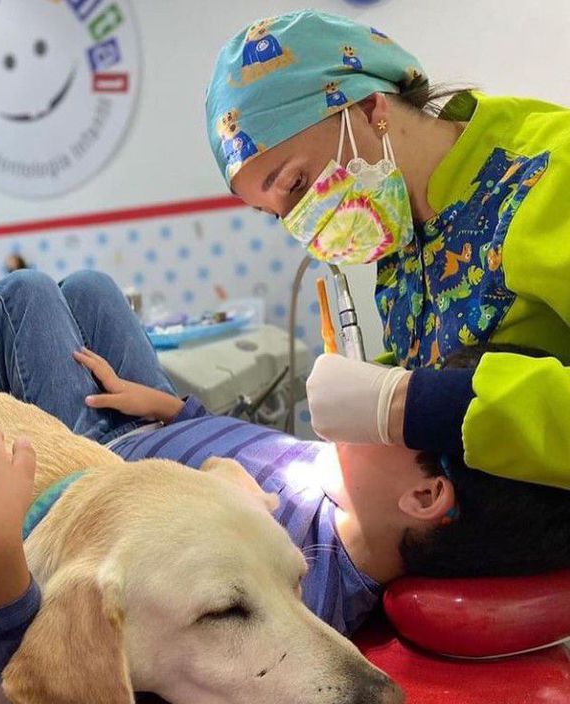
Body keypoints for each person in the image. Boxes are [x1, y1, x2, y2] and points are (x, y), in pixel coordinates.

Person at [0, 271, 570, 704]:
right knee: (90, 289)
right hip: (161, 419)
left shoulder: (292, 574)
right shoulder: (329, 486)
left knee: (26, 292)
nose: (366, 408)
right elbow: (230, 453)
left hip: (105, 461)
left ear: (424, 496)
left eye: (390, 414)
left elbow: (74, 649)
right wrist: (174, 410)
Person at [205, 9, 570, 491]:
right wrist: (370, 386)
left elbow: (430, 394)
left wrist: (403, 403)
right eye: (276, 214)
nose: (300, 222)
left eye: (295, 183)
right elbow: (440, 360)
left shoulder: (545, 176)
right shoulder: (401, 234)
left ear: (371, 108)